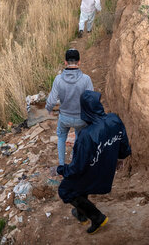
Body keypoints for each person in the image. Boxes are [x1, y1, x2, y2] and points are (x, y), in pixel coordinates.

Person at [57, 90, 132, 235]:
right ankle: (81, 214)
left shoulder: (86, 135)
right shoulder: (114, 119)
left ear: (85, 110)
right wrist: (120, 159)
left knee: (65, 190)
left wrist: (61, 170)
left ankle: (97, 218)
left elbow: (77, 168)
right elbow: (124, 144)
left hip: (93, 173)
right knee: (79, 185)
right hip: (107, 169)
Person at [46, 49, 94, 167]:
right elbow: (91, 100)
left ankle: (62, 165)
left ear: (65, 62)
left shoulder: (58, 79)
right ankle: (74, 160)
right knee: (78, 135)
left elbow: (51, 100)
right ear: (79, 62)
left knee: (61, 137)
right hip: (81, 118)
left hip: (65, 118)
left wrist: (49, 110)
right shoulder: (86, 79)